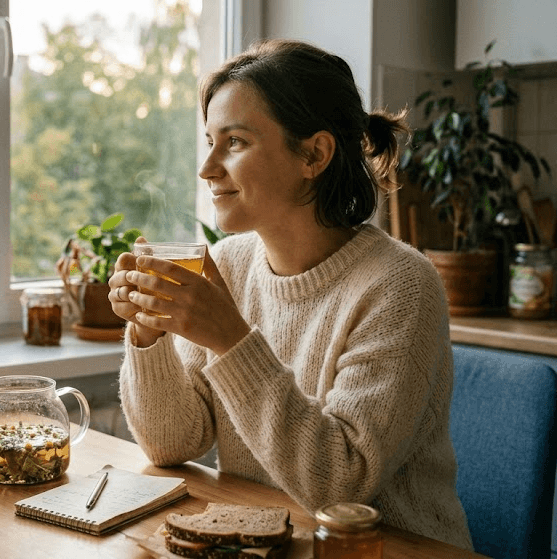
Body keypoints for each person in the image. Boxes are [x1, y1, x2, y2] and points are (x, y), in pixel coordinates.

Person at [107, 39, 474, 550]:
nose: (207, 168)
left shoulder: (400, 285)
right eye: (209, 141)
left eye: (235, 142)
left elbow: (341, 486)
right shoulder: (230, 264)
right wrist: (149, 334)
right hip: (268, 545)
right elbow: (172, 444)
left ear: (314, 154)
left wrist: (231, 340)